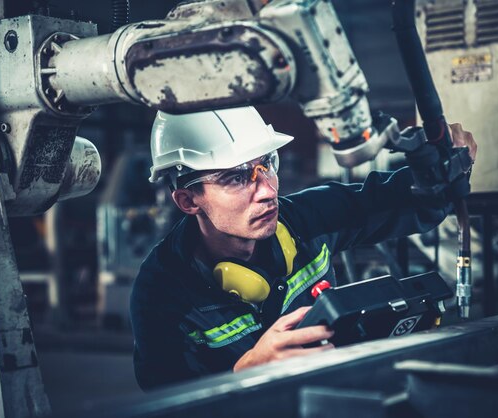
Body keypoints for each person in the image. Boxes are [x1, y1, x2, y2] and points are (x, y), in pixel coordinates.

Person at [130, 107, 477, 390]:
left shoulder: (308, 219)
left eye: (268, 164)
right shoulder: (161, 290)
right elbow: (164, 401)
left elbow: (402, 202)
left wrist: (439, 173)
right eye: (236, 178)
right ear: (189, 201)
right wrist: (243, 374)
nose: (267, 190)